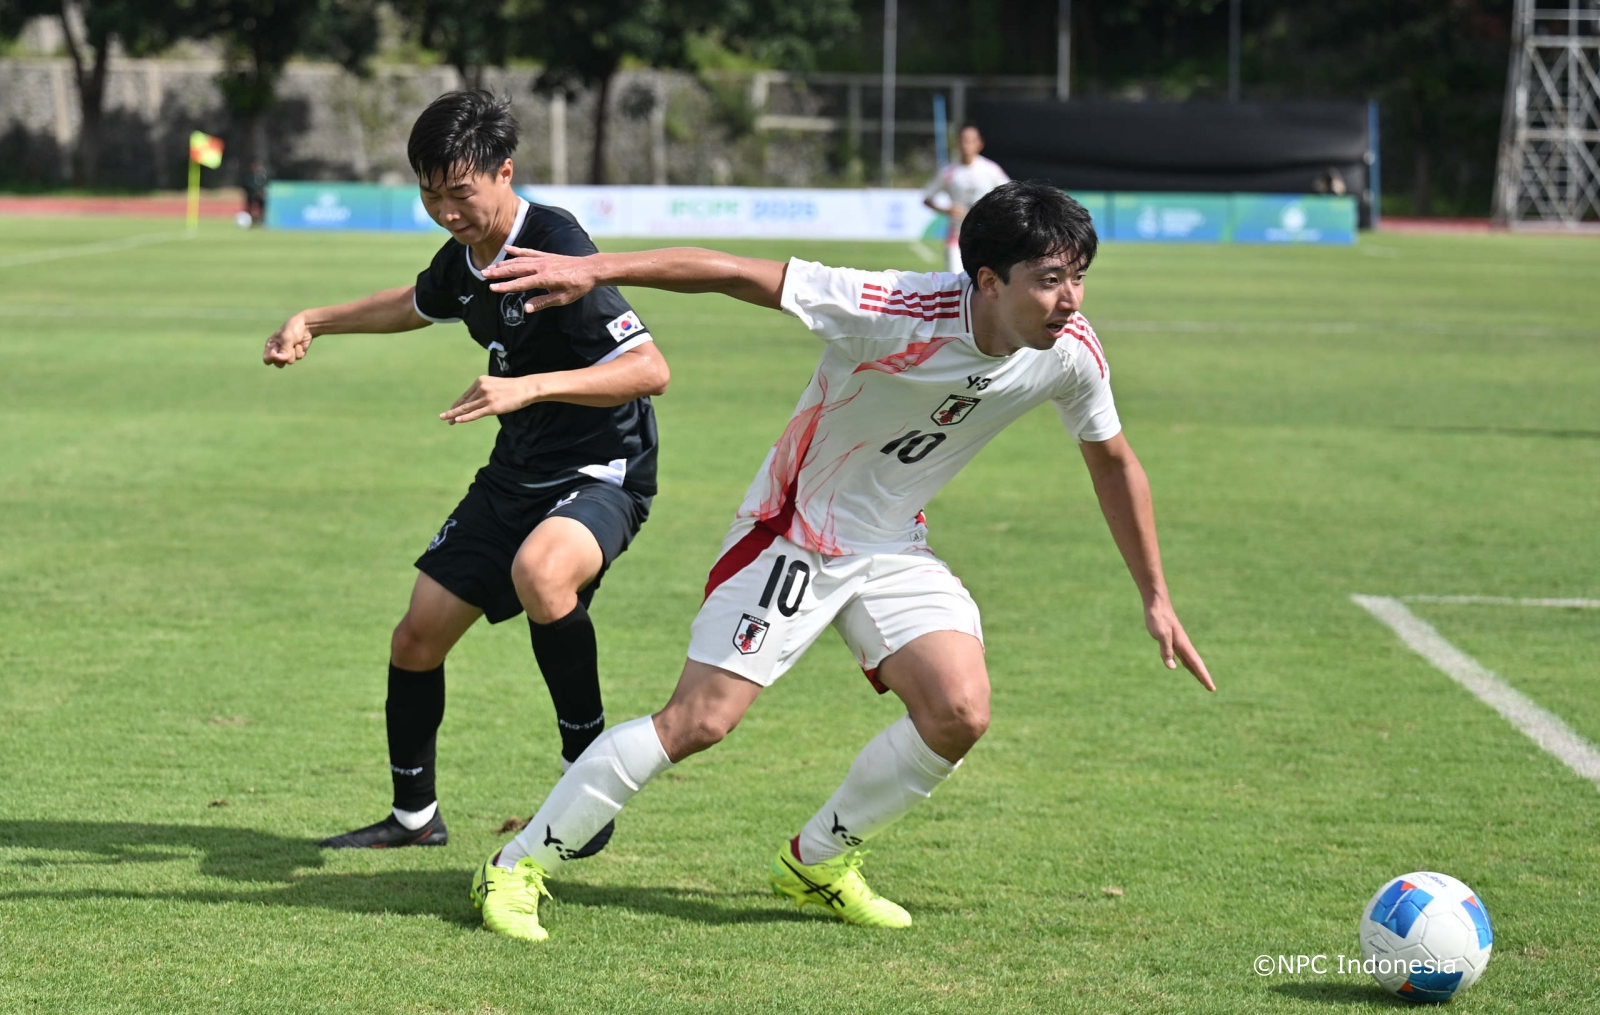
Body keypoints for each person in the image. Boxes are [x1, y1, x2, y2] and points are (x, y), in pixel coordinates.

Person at [465, 180, 1214, 942]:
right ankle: (515, 866)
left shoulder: (1072, 353)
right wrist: (594, 269)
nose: (1071, 300)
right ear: (989, 281)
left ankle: (817, 862)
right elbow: (734, 272)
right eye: (1050, 280)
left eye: (1078, 277)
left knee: (959, 711)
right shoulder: (894, 308)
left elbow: (1113, 462)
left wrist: (1155, 596)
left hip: (891, 542)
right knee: (699, 721)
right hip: (796, 530)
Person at [260, 90, 669, 854]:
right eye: (430, 194)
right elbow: (416, 303)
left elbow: (649, 369)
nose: (446, 211)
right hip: (518, 469)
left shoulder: (553, 246)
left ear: (504, 172)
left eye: (459, 192)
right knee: (417, 635)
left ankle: (586, 783)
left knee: (542, 574)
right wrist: (314, 320)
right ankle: (415, 818)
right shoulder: (468, 254)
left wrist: (528, 387)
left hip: (602, 468)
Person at [923, 123, 1010, 274]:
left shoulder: (991, 170)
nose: (966, 145)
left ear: (980, 144)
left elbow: (1009, 193)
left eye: (971, 140)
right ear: (957, 143)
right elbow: (927, 198)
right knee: (955, 278)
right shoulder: (949, 171)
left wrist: (993, 210)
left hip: (986, 236)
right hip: (957, 236)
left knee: (984, 279)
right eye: (963, 140)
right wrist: (946, 209)